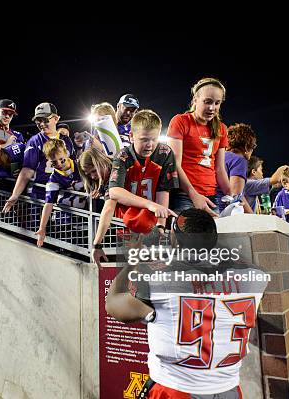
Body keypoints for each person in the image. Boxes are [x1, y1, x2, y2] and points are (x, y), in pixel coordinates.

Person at [105, 208, 266, 398]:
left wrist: (132, 261)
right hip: (228, 390)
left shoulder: (158, 281)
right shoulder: (255, 277)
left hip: (175, 389)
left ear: (176, 242)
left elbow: (113, 304)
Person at [91, 110, 179, 265]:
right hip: (125, 225)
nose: (150, 145)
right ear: (131, 136)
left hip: (150, 224)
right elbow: (113, 193)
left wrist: (159, 227)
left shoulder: (165, 153)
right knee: (128, 274)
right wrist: (97, 244)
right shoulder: (123, 156)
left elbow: (162, 191)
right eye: (144, 139)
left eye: (154, 139)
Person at [167, 78, 232, 216]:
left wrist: (232, 195)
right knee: (186, 236)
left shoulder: (221, 128)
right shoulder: (181, 121)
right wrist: (193, 194)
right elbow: (174, 164)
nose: (211, 107)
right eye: (207, 101)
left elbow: (220, 169)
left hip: (211, 196)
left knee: (214, 237)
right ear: (195, 100)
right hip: (184, 194)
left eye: (217, 103)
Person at [2, 102, 74, 210]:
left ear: (56, 118)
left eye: (45, 120)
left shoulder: (66, 140)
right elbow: (27, 170)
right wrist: (15, 194)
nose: (41, 124)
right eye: (38, 120)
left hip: (63, 193)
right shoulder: (34, 141)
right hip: (41, 193)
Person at [35, 138, 82, 247]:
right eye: (54, 162)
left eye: (62, 159)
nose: (59, 164)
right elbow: (48, 203)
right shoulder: (54, 178)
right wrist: (42, 228)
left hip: (86, 214)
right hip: (69, 219)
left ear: (66, 153)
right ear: (48, 160)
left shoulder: (82, 165)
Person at [215, 123, 257, 213]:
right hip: (222, 212)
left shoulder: (219, 156)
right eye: (253, 146)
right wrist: (253, 217)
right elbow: (235, 196)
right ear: (246, 146)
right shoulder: (239, 160)